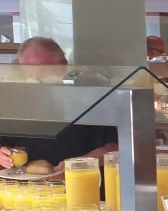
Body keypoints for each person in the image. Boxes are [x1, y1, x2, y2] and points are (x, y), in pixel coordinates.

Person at [0, 37, 117, 171]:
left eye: (42, 74)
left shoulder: (91, 96)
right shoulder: (17, 101)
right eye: (28, 74)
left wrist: (75, 166)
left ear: (63, 65)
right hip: (27, 181)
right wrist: (2, 154)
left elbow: (114, 147)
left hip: (81, 179)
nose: (34, 80)